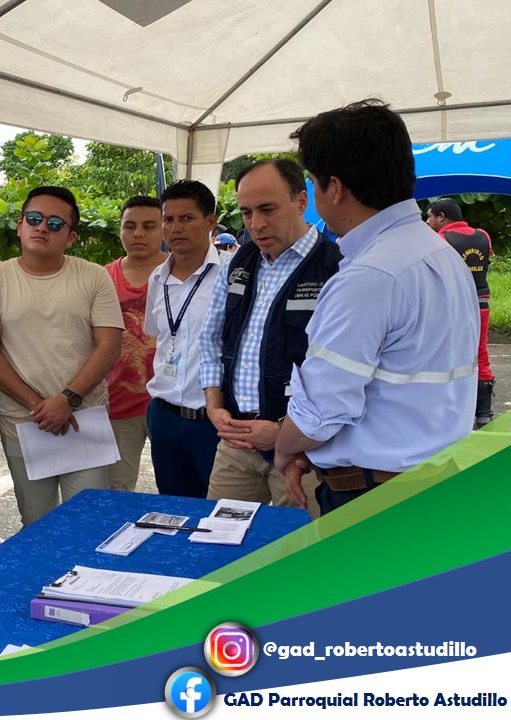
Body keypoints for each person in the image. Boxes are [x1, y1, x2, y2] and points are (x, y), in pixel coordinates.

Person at [275, 99, 479, 514]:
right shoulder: (441, 255)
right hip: (431, 482)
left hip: (376, 498)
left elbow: (322, 410)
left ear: (335, 188)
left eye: (313, 183)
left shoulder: (370, 276)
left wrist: (285, 448)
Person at [0, 186, 124, 526]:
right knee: (37, 523)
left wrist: (68, 400)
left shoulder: (94, 276)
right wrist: (42, 406)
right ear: (20, 225)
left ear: (70, 237)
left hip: (84, 419)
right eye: (34, 219)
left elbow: (110, 345)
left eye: (55, 224)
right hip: (25, 423)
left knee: (88, 522)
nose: (41, 228)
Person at [200, 159, 342, 516]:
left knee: (300, 544)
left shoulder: (336, 266)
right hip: (235, 442)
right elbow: (210, 339)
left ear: (301, 201)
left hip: (303, 451)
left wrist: (283, 431)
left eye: (268, 209)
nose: (256, 224)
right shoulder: (239, 262)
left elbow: (341, 374)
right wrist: (214, 406)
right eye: (247, 212)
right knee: (217, 540)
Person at [145, 180, 223, 497]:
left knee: (218, 512)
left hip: (212, 421)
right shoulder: (157, 278)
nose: (175, 228)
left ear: (210, 221)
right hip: (164, 416)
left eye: (187, 218)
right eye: (168, 219)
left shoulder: (231, 274)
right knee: (174, 509)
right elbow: (158, 337)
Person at [104, 196, 168, 491]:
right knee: (117, 490)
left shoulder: (181, 272)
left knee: (177, 489)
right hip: (118, 402)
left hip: (169, 403)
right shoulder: (103, 278)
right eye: (130, 226)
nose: (138, 233)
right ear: (120, 230)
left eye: (149, 226)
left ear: (163, 229)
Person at [425, 198, 495, 428]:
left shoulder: (440, 240)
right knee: (480, 354)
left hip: (453, 305)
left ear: (441, 217)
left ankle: (450, 410)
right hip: (481, 302)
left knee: (447, 354)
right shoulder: (483, 236)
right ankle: (484, 413)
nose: (427, 221)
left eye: (430, 216)